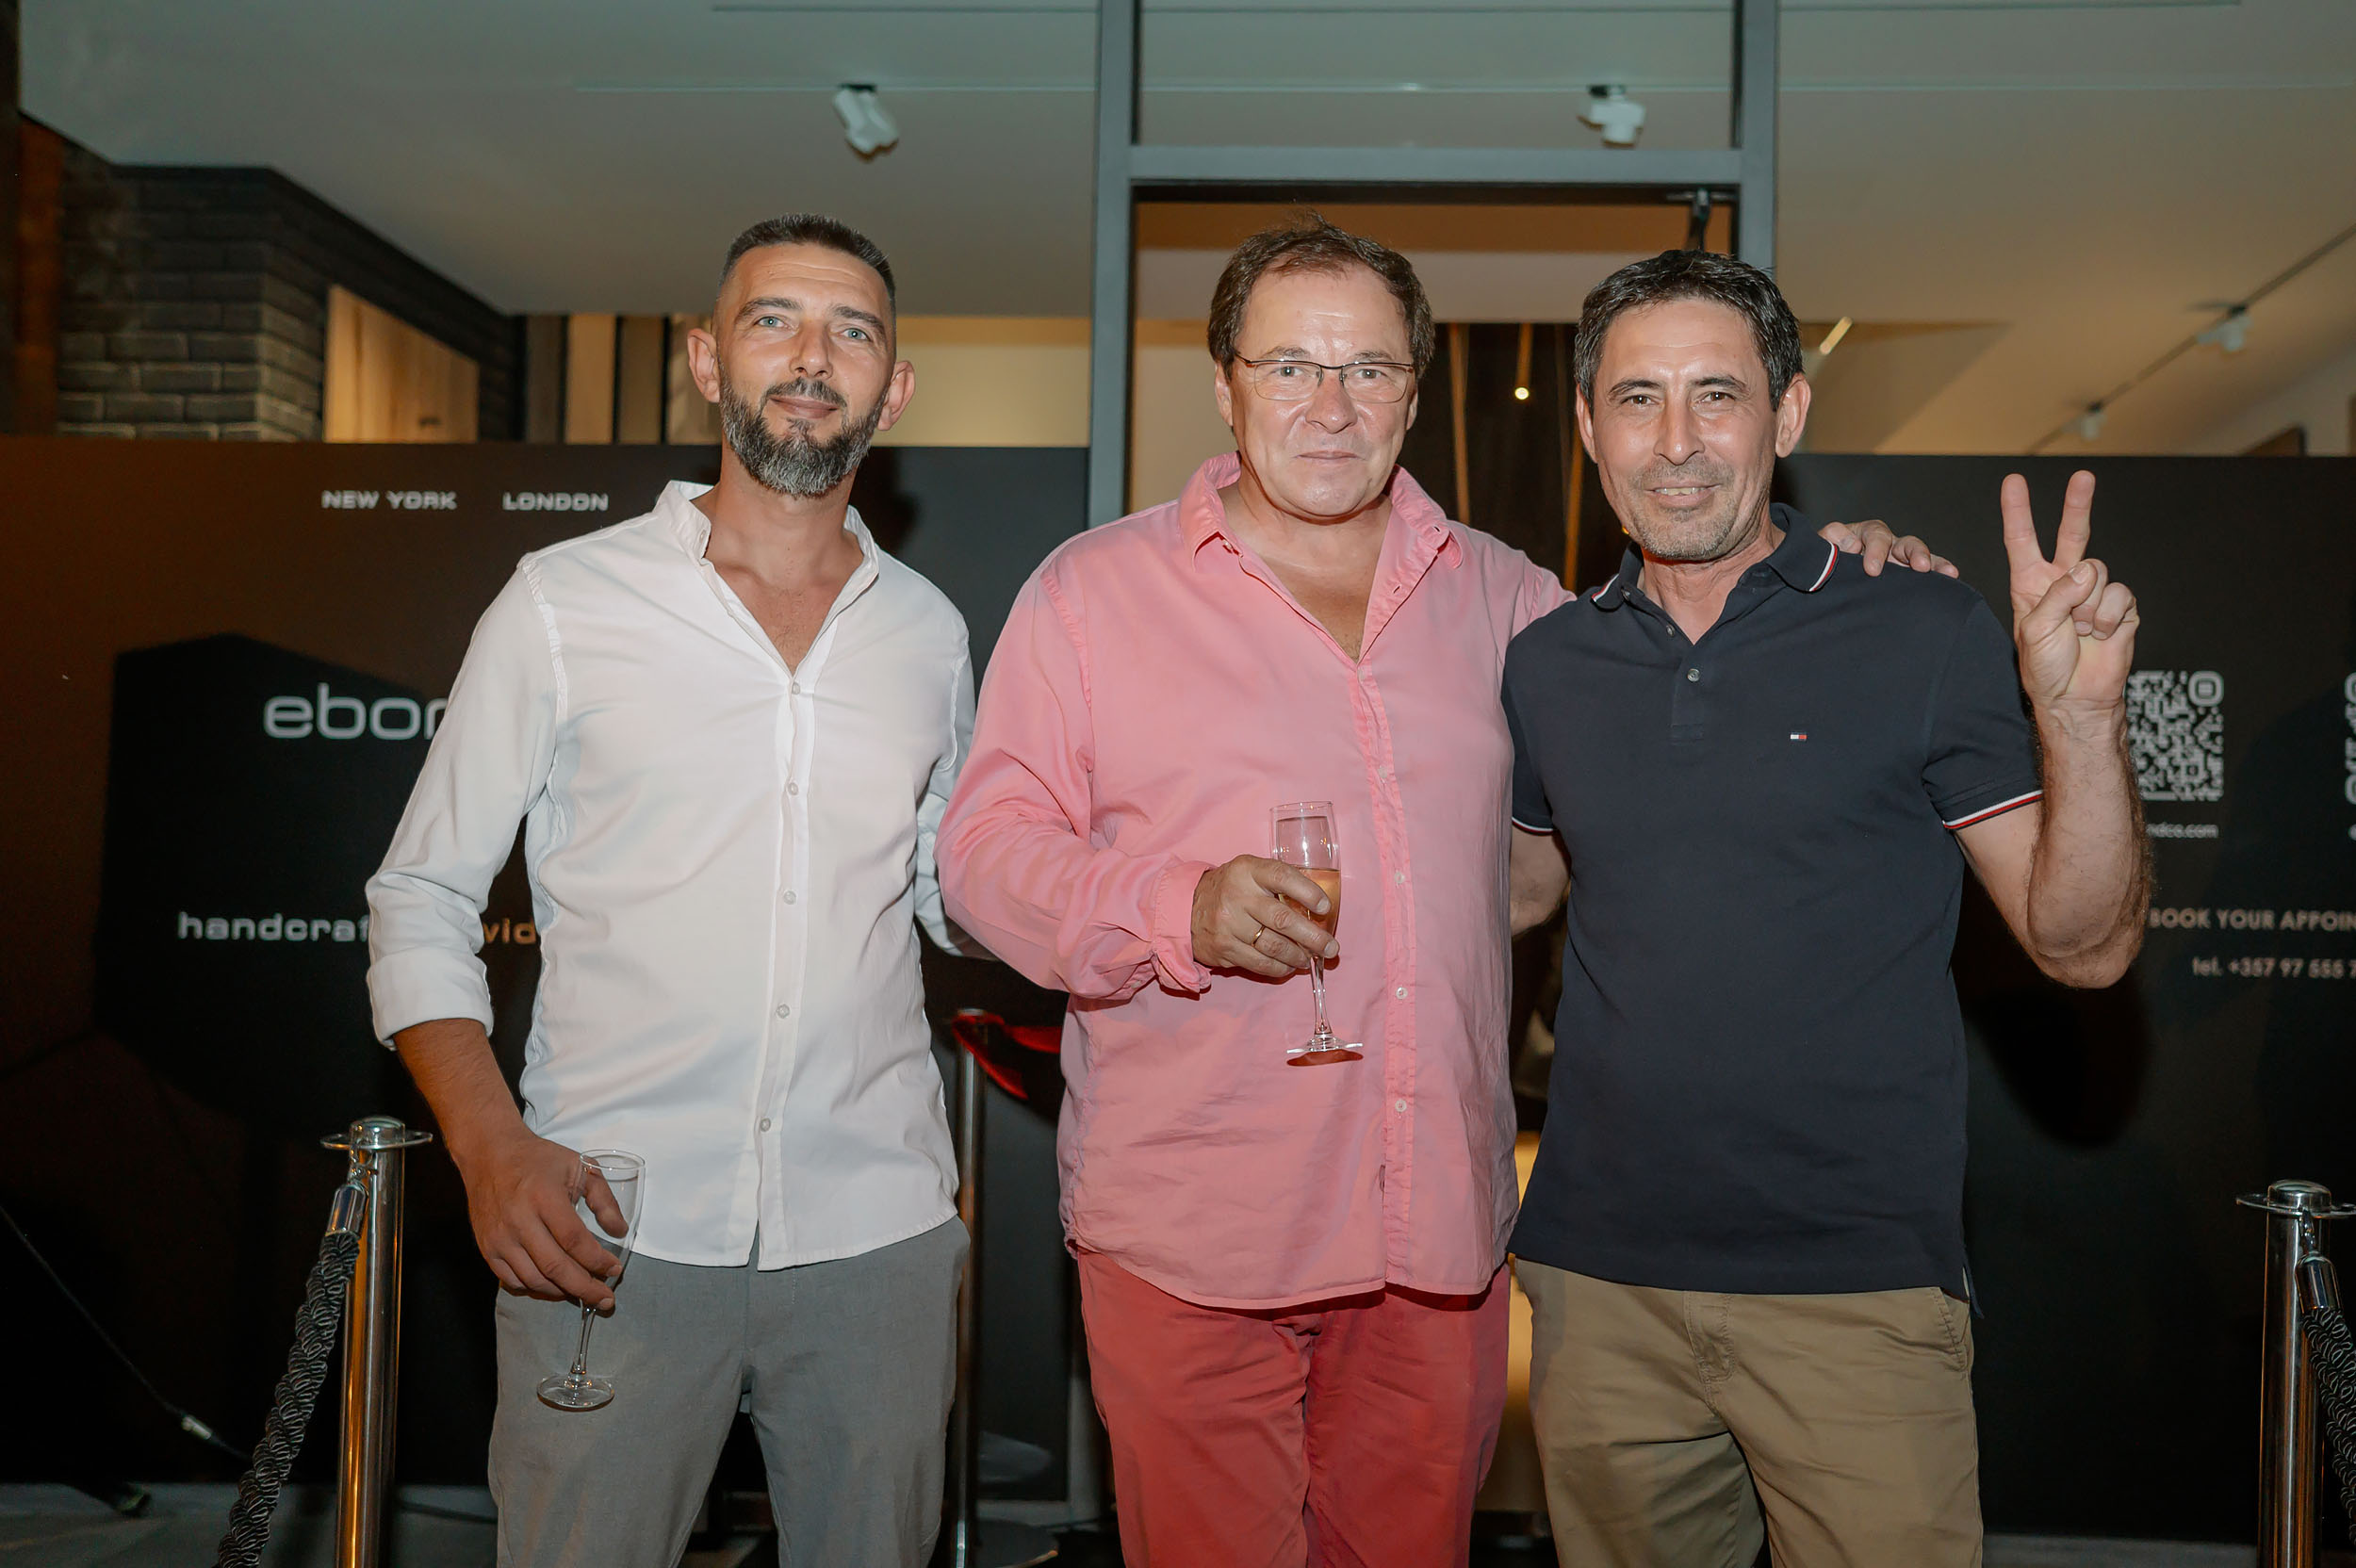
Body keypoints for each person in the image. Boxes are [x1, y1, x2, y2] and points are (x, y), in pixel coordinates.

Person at [934, 216, 1939, 1568]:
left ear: (1414, 392)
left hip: (1433, 1245)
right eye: (1290, 367)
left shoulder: (1512, 604)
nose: (1332, 406)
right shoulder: (1093, 595)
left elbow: (1681, 671)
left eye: (1370, 369)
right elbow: (984, 855)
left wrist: (1831, 574)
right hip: (1194, 1237)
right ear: (1226, 386)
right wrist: (1177, 910)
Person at [1502, 248, 2151, 1568]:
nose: (1676, 443)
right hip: (1601, 1290)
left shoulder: (1919, 628)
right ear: (1587, 425)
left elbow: (2082, 947)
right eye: (1636, 399)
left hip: (1855, 1291)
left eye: (1716, 395)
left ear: (1787, 414)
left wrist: (2081, 721)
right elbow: (1514, 893)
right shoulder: (1547, 663)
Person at [366, 214, 971, 1568]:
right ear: (707, 361)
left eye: (852, 332)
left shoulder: (929, 634)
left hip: (875, 1234)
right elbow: (419, 893)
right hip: (610, 1227)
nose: (811, 357)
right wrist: (488, 1146)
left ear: (894, 388)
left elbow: (951, 892)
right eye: (773, 321)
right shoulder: (562, 603)